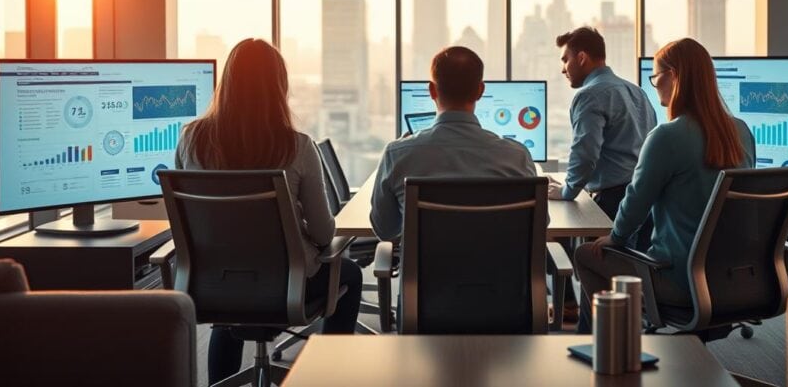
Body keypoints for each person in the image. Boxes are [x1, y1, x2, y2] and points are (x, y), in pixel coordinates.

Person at [175, 38, 362, 384]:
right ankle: (331, 377)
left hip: (213, 285)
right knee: (349, 274)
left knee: (229, 309)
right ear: (280, 87)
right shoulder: (298, 146)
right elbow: (323, 233)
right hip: (284, 286)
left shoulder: (190, 139)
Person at [572, 38, 756, 333]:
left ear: (673, 76)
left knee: (586, 254)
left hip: (680, 282)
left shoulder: (667, 136)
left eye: (655, 77)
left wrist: (615, 237)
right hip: (736, 280)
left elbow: (635, 204)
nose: (654, 84)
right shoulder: (742, 131)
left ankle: (611, 348)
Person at [369, 46, 536, 241]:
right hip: (502, 271)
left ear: (431, 90)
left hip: (426, 272)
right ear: (480, 91)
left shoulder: (397, 154)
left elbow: (385, 230)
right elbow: (538, 223)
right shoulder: (518, 156)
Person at [549, 27, 657, 220]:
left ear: (581, 58)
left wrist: (567, 191)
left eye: (566, 59)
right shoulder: (637, 92)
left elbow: (585, 152)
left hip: (612, 204)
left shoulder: (589, 95)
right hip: (645, 200)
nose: (563, 69)